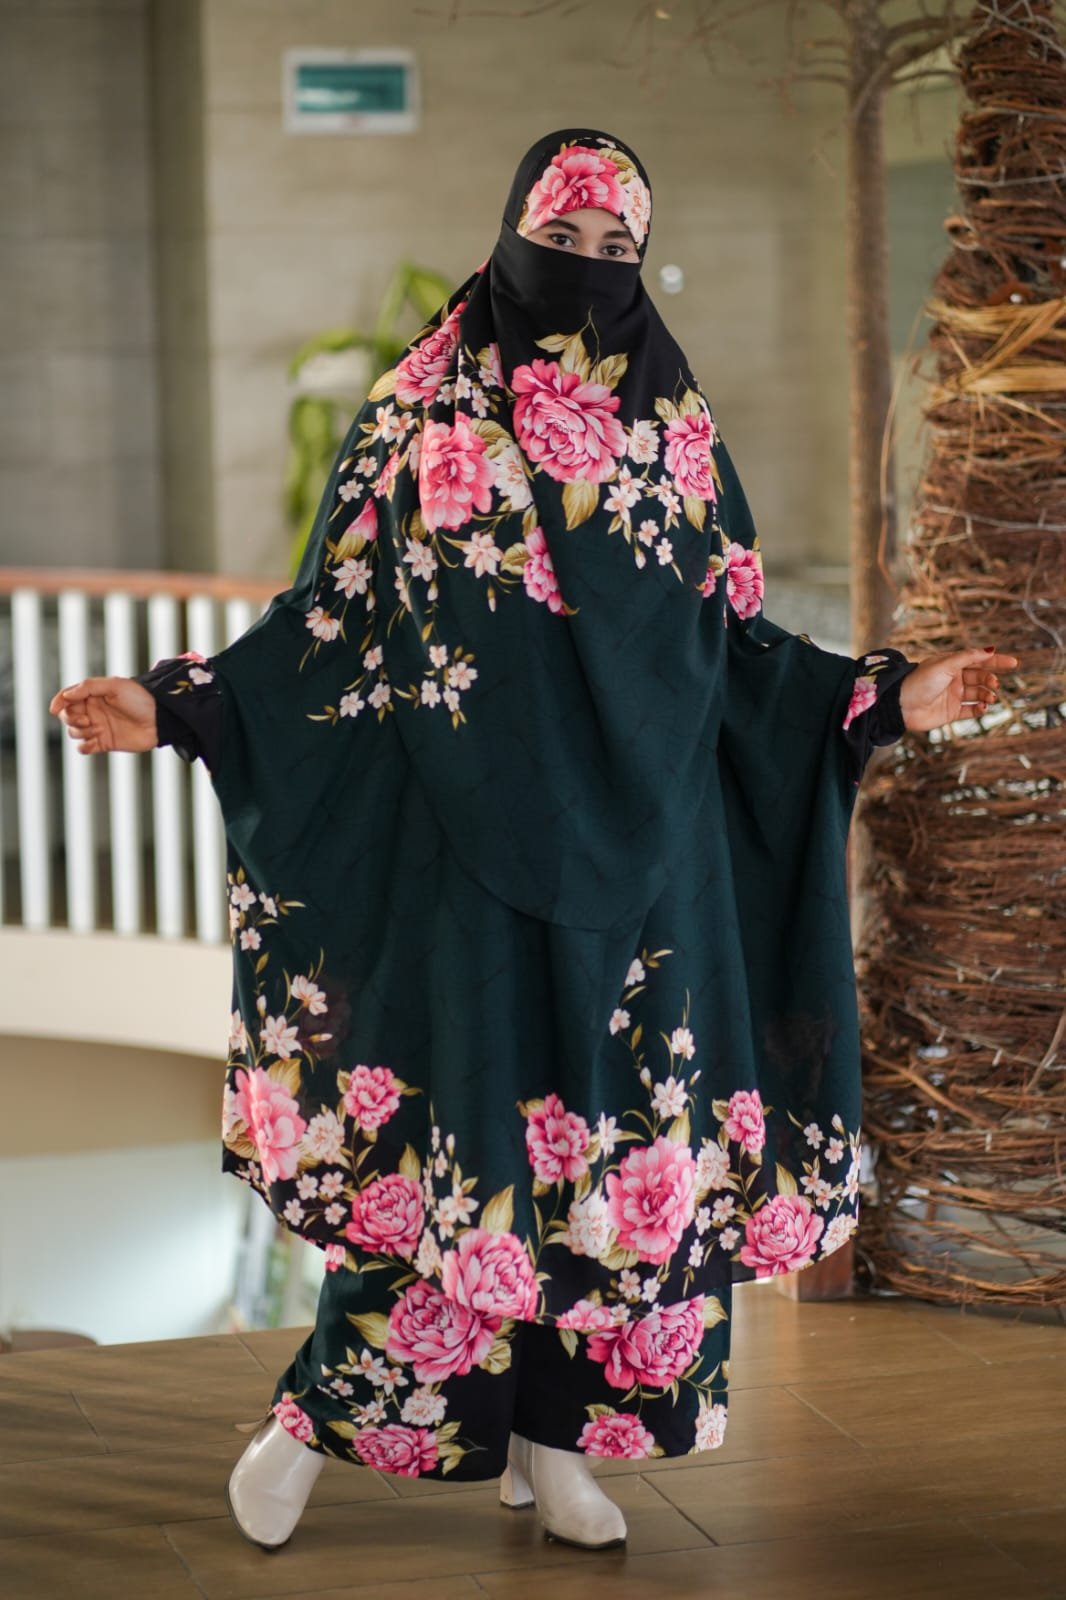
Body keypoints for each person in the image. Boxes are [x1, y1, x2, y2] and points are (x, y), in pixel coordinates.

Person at [49, 129, 1017, 1554]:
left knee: (624, 1170)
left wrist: (885, 696)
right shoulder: (417, 421)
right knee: (473, 1162)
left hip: (655, 875)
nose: (586, 269)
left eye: (618, 248)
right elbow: (329, 626)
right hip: (469, 860)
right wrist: (179, 708)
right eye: (562, 239)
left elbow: (734, 647)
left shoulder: (672, 432)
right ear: (508, 237)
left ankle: (558, 1452)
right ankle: (305, 1433)